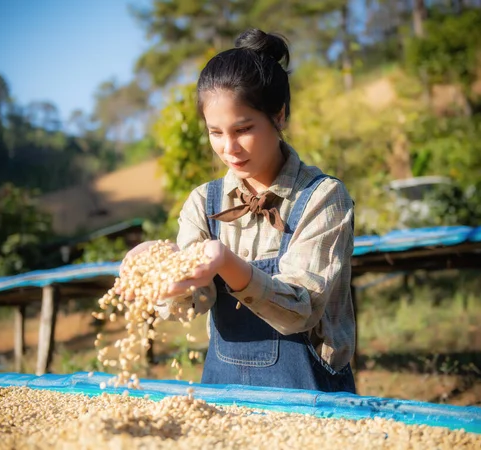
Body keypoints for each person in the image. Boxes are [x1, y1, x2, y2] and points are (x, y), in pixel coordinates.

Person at [121, 28, 356, 393]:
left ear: (278, 117)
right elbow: (192, 305)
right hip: (225, 396)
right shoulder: (204, 201)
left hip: (312, 397)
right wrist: (162, 271)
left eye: (243, 129)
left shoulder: (323, 198)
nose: (229, 148)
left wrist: (224, 262)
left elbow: (301, 310)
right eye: (215, 132)